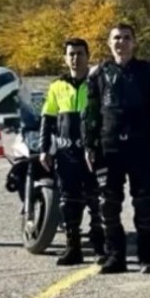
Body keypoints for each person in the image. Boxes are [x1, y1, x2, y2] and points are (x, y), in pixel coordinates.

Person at [83, 24, 150, 274]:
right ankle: (116, 257)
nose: (121, 43)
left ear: (134, 43)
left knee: (144, 203)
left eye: (126, 38)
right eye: (116, 39)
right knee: (108, 205)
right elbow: (90, 112)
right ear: (109, 43)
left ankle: (146, 257)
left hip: (141, 144)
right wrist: (89, 144)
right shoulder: (98, 73)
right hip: (108, 146)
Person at [40, 38, 106, 265]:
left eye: (80, 53)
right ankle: (73, 248)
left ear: (88, 57)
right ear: (65, 58)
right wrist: (44, 149)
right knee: (68, 202)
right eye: (71, 54)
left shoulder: (98, 83)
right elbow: (47, 120)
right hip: (66, 154)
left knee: (96, 201)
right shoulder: (57, 86)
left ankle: (100, 248)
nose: (75, 58)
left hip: (93, 153)